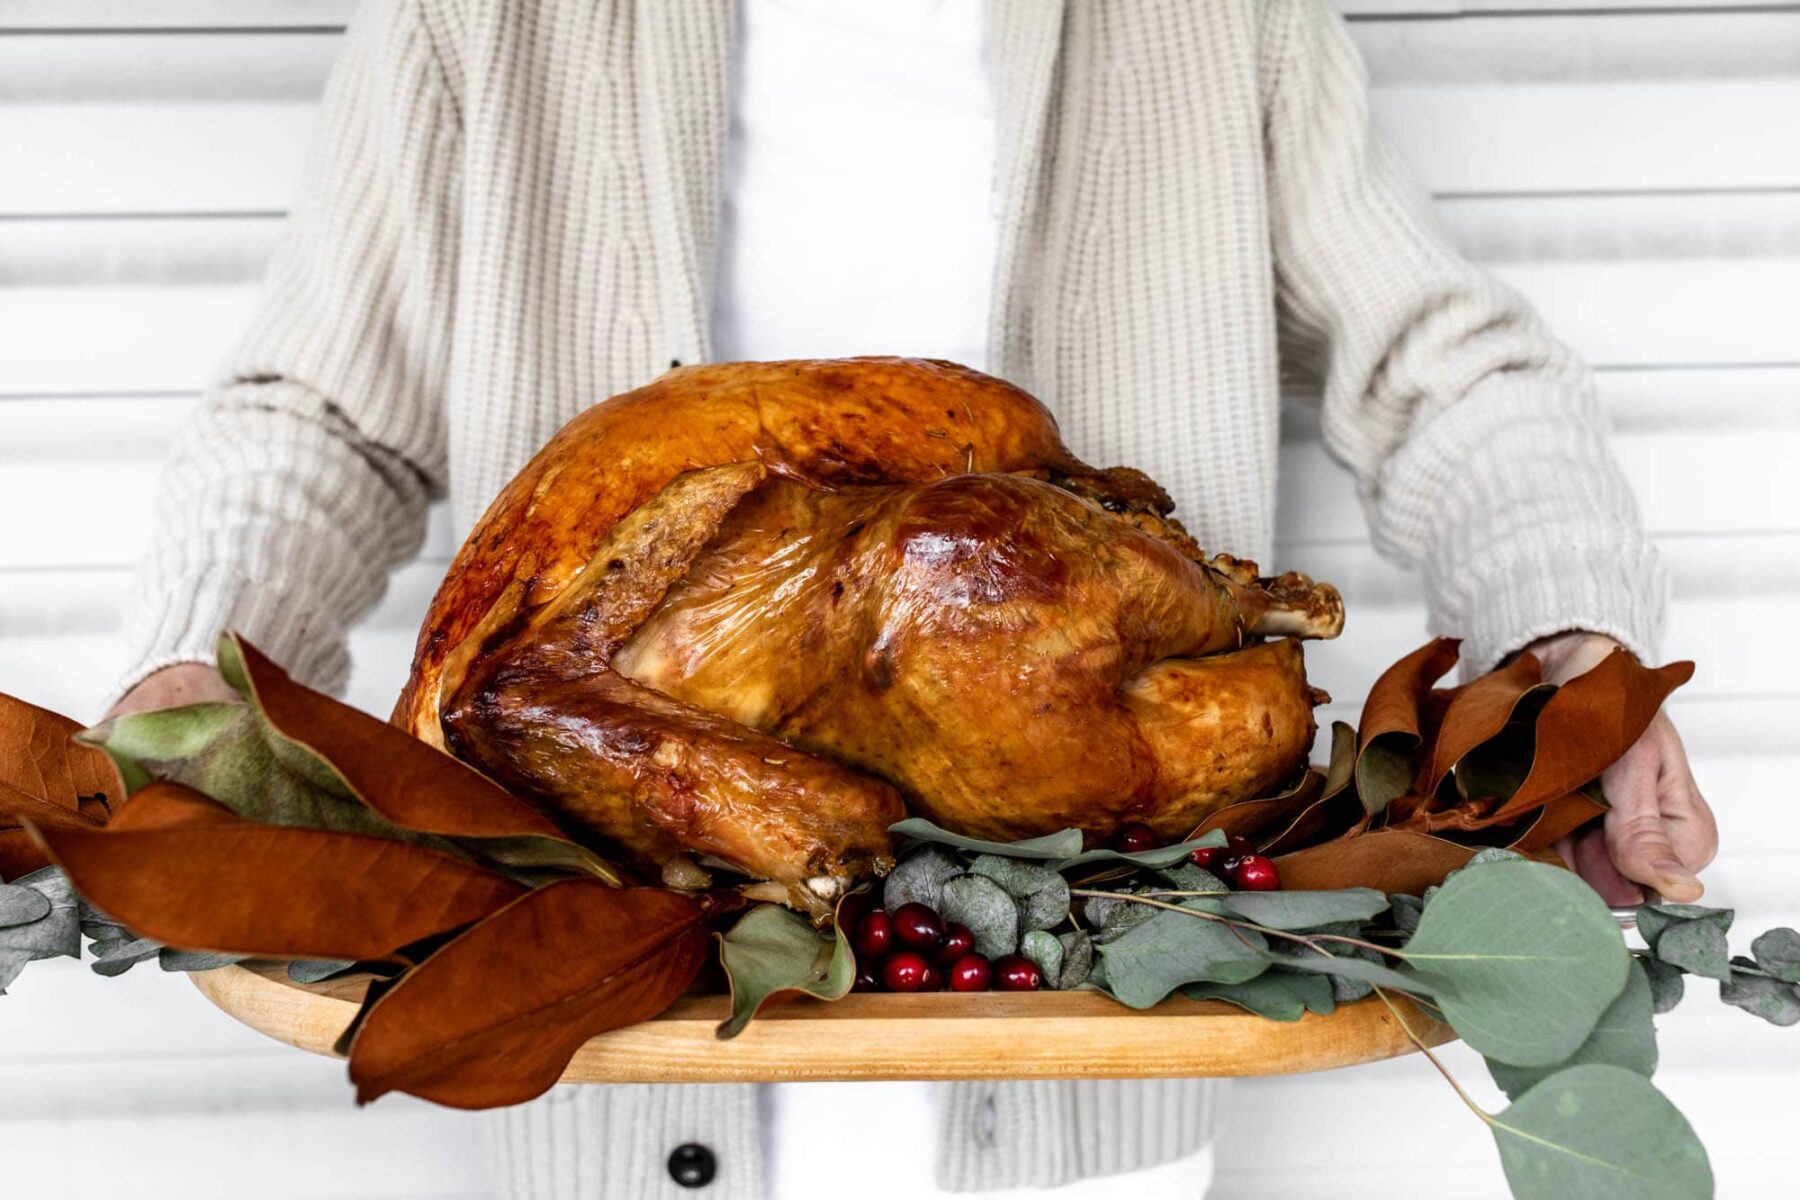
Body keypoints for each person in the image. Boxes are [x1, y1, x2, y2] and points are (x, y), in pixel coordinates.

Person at [108, 1, 1717, 1196]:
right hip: (620, 1057)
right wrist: (192, 667)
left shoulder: (1211, 23)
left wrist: (1574, 655)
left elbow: (1442, 369)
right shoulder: (492, 21)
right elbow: (322, 411)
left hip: (1082, 1044)